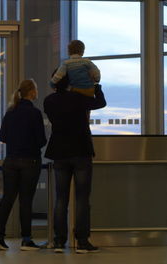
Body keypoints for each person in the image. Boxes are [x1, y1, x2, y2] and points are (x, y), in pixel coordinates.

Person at [43, 75, 106, 254]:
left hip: (59, 152)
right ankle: (82, 241)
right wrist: (95, 86)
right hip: (81, 150)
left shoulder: (49, 101)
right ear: (71, 83)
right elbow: (100, 103)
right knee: (82, 198)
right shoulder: (79, 99)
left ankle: (59, 241)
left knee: (61, 198)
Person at [0, 79, 47, 251]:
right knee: (25, 201)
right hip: (30, 161)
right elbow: (41, 140)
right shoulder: (35, 113)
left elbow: (3, 137)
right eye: (36, 89)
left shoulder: (10, 112)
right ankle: (26, 239)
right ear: (31, 92)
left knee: (7, 199)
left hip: (10, 160)